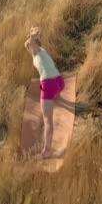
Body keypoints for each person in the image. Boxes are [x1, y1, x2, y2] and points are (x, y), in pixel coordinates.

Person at [25, 27, 65, 159]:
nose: (29, 48)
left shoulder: (37, 51)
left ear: (34, 44)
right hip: (60, 82)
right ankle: (56, 97)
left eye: (30, 46)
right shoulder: (41, 52)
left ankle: (47, 151)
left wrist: (32, 35)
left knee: (47, 119)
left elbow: (33, 41)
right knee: (51, 96)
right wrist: (34, 35)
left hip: (49, 84)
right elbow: (34, 41)